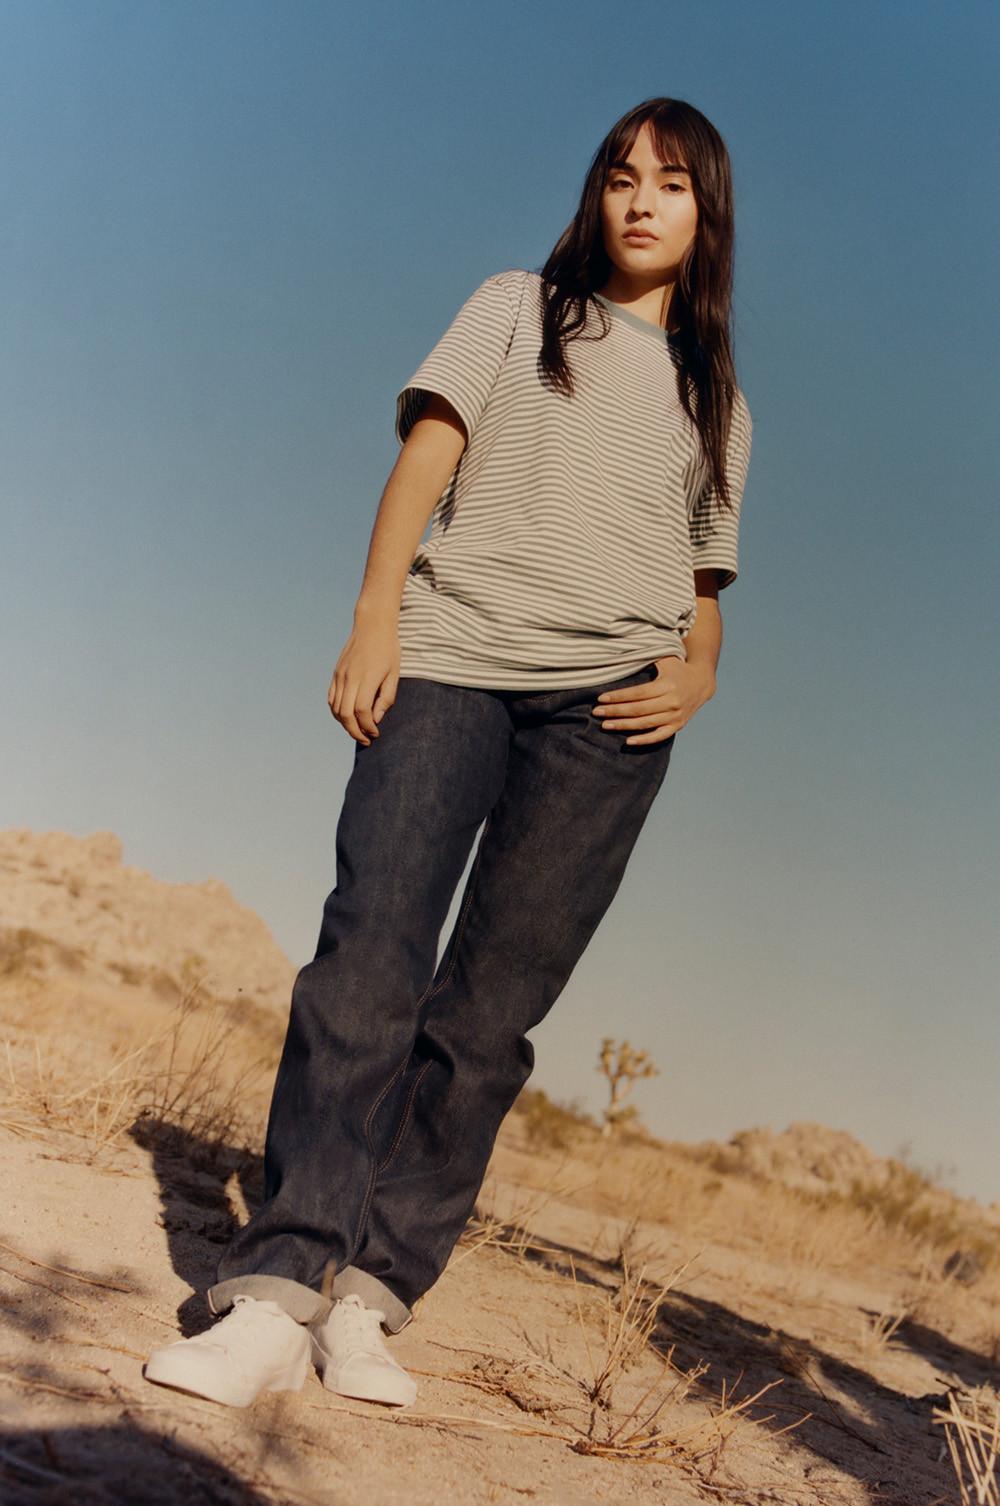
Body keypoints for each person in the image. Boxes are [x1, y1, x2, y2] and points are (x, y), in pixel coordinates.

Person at [143, 95, 754, 1411]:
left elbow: (704, 583)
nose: (640, 200)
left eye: (672, 184)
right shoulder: (517, 308)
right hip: (454, 664)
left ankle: (371, 1295)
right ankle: (275, 1281)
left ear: (708, 217)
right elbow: (427, 463)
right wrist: (376, 618)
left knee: (486, 1019)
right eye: (619, 176)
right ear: (595, 196)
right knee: (372, 950)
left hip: (606, 727)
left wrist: (699, 676)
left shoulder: (718, 400)